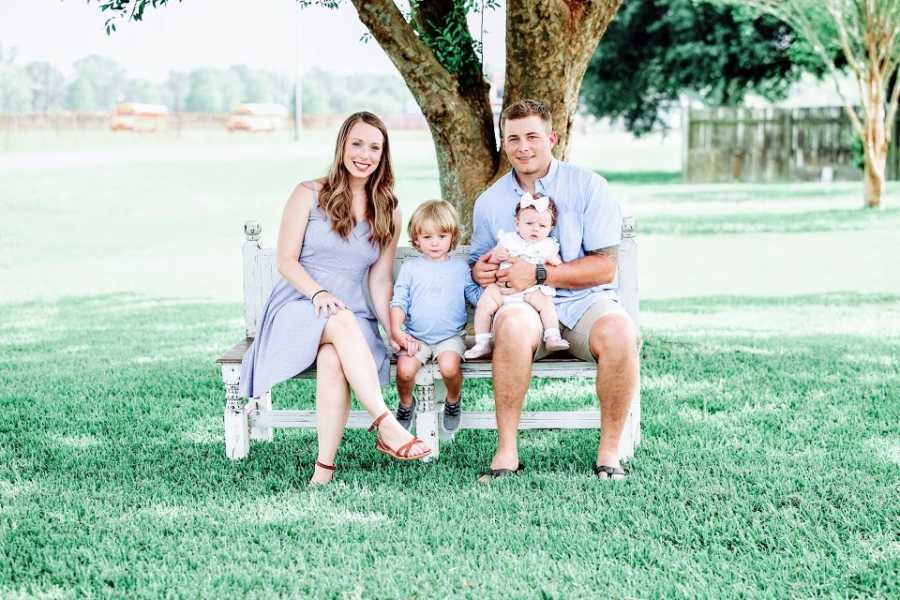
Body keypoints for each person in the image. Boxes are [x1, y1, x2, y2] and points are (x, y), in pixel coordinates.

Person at [239, 111, 432, 485]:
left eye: (375, 147)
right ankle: (386, 424)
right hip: (299, 306)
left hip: (352, 319)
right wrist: (319, 293)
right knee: (338, 320)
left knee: (333, 357)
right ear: (342, 145)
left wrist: (392, 329)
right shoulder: (308, 194)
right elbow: (286, 260)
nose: (365, 154)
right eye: (357, 143)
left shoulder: (388, 209)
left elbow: (378, 279)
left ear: (384, 154)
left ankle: (322, 471)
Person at [470, 99, 639, 482]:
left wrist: (540, 274)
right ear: (504, 142)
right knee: (512, 324)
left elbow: (604, 265)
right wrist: (480, 272)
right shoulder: (490, 202)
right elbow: (480, 266)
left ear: (552, 137)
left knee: (620, 331)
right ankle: (507, 453)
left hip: (584, 301)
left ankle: (609, 455)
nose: (523, 147)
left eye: (532, 136)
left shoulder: (588, 186)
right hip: (522, 306)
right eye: (513, 138)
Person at [389, 200, 480, 434]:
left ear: (453, 236)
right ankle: (407, 403)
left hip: (450, 337)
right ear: (416, 239)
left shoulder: (460, 268)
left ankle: (452, 400)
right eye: (427, 237)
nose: (435, 243)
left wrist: (496, 295)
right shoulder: (411, 268)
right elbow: (399, 301)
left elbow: (474, 295)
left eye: (442, 235)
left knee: (449, 368)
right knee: (405, 371)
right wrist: (398, 330)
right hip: (416, 337)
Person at [463, 192, 569, 360]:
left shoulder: (548, 246)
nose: (535, 228)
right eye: (529, 223)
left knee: (546, 304)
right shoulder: (509, 240)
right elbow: (491, 257)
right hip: (502, 289)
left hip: (532, 289)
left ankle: (552, 335)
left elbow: (558, 267)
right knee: (484, 304)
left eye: (542, 226)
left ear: (551, 228)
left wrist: (554, 261)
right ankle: (482, 342)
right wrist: (496, 256)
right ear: (517, 224)